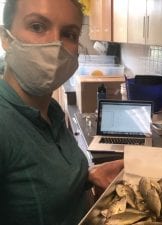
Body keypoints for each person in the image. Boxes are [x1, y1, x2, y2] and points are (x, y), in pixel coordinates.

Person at [0, 0, 124, 224]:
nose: (55, 44)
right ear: (6, 38)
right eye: (37, 26)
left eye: (70, 34)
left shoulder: (52, 111)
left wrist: (87, 177)